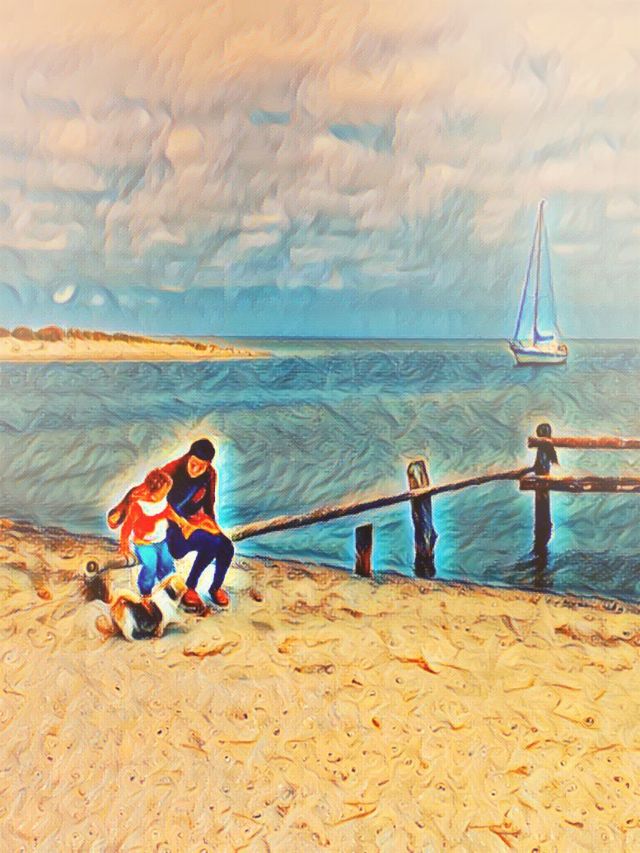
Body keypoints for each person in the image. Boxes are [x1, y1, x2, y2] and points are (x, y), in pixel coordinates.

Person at [109, 438, 234, 611]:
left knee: (226, 546)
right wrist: (121, 510)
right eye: (194, 464)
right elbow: (145, 489)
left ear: (208, 464)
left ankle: (215, 588)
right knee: (212, 543)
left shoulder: (210, 475)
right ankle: (190, 588)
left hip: (189, 523)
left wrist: (213, 526)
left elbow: (209, 505)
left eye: (202, 466)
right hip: (171, 530)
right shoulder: (173, 469)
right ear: (188, 457)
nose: (196, 469)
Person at [118, 468, 195, 597]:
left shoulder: (161, 501)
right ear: (152, 491)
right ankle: (146, 592)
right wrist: (124, 545)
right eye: (163, 492)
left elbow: (168, 511)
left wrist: (180, 521)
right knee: (150, 566)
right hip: (144, 544)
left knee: (167, 562)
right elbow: (127, 526)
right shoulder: (139, 506)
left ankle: (168, 584)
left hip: (161, 541)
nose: (166, 494)